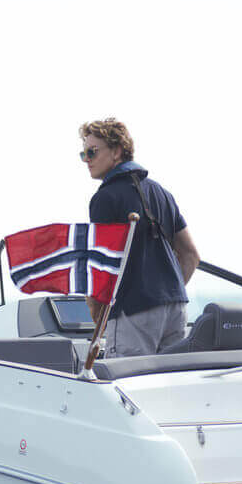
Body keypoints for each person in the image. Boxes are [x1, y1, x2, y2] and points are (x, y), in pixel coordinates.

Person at [79, 117, 200, 357]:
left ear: (116, 151)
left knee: (126, 378)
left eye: (92, 152)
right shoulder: (162, 193)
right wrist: (164, 295)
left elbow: (101, 266)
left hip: (133, 312)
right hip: (175, 308)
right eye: (83, 154)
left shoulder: (105, 198)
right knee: (168, 379)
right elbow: (191, 255)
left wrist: (98, 315)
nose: (86, 160)